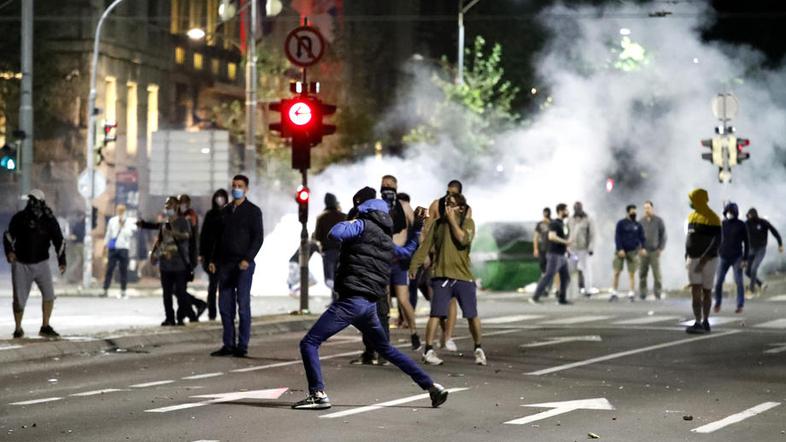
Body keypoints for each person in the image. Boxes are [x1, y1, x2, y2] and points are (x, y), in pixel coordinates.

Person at [292, 188, 448, 410]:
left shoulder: (360, 226)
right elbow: (408, 251)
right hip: (369, 305)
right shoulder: (386, 240)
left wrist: (352, 217)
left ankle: (317, 394)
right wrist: (417, 227)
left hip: (351, 301)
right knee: (385, 348)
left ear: (364, 210)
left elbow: (334, 233)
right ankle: (432, 386)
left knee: (309, 343)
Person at [411, 193, 486, 366]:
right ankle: (428, 350)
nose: (447, 207)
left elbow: (463, 240)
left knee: (471, 314)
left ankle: (478, 348)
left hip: (463, 276)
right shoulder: (438, 225)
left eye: (451, 204)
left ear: (460, 208)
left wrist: (452, 221)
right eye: (446, 204)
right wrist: (414, 265)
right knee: (436, 314)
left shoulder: (468, 223)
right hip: (441, 276)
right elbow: (426, 246)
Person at [208, 175, 264, 358]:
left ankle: (242, 345)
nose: (236, 188)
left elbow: (257, 238)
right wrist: (213, 260)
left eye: (239, 186)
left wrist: (247, 259)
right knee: (225, 306)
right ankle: (228, 344)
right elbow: (217, 238)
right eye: (234, 185)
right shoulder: (225, 211)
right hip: (225, 264)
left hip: (243, 265)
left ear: (246, 189)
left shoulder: (253, 211)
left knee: (243, 305)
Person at [3, 190, 66, 339]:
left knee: (49, 295)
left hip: (42, 262)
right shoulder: (20, 218)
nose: (32, 204)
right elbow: (8, 236)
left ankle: (45, 326)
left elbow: (59, 240)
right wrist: (9, 252)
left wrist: (62, 260)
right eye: (30, 200)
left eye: (34, 200)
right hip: (21, 263)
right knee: (19, 299)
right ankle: (18, 328)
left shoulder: (49, 220)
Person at [380, 175, 423, 352]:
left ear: (396, 186)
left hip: (400, 260)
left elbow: (418, 230)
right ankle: (384, 338)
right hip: (383, 259)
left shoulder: (404, 207)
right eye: (385, 185)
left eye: (391, 185)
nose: (387, 187)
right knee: (384, 300)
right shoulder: (378, 205)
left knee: (404, 300)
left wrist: (418, 255)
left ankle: (414, 332)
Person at [151, 196, 194, 326]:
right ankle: (169, 317)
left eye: (170, 204)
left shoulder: (183, 221)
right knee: (167, 293)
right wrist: (154, 254)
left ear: (176, 207)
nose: (167, 207)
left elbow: (187, 235)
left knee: (181, 292)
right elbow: (160, 240)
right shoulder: (164, 223)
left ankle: (180, 316)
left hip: (179, 264)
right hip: (165, 263)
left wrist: (174, 232)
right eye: (166, 204)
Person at [685, 189, 722, 334]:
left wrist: (704, 259)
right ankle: (698, 321)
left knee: (706, 291)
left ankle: (705, 320)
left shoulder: (713, 218)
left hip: (709, 260)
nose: (691, 202)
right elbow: (689, 238)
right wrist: (686, 254)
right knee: (695, 290)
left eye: (693, 199)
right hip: (692, 258)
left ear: (699, 200)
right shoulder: (691, 217)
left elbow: (717, 241)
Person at [531, 203, 572, 305]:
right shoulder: (554, 223)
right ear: (561, 211)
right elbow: (551, 236)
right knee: (548, 276)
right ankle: (535, 297)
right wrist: (565, 242)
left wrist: (567, 249)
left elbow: (562, 238)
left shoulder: (563, 224)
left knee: (566, 277)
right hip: (554, 254)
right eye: (566, 210)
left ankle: (562, 299)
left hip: (561, 255)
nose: (568, 212)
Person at [714, 202, 749, 314]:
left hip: (737, 257)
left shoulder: (741, 225)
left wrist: (745, 259)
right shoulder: (722, 224)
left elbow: (747, 243)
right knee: (718, 282)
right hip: (723, 256)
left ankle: (740, 304)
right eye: (728, 212)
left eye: (731, 212)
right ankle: (718, 303)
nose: (729, 214)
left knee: (738, 281)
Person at [178, 194, 208, 320]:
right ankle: (190, 311)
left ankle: (187, 312)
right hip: (179, 258)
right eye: (181, 202)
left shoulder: (191, 216)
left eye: (185, 202)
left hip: (187, 258)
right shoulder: (178, 215)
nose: (183, 205)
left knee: (178, 288)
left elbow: (190, 236)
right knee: (178, 289)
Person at [199, 189, 228, 320]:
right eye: (218, 197)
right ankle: (212, 313)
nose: (220, 200)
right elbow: (204, 234)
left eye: (222, 197)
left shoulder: (229, 214)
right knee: (212, 286)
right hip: (211, 256)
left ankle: (224, 312)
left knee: (224, 287)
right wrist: (202, 253)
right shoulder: (210, 215)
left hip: (225, 256)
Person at [313, 192, 346, 300]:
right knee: (340, 277)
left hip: (328, 252)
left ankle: (335, 299)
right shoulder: (343, 216)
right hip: (343, 251)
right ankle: (337, 300)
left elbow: (317, 237)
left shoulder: (321, 217)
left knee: (329, 279)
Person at [610, 204, 645, 302]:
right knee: (616, 272)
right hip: (620, 251)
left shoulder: (638, 225)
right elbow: (617, 237)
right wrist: (620, 249)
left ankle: (631, 293)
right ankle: (614, 292)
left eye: (635, 211)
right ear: (628, 212)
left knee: (632, 273)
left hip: (632, 251)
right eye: (632, 211)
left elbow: (642, 238)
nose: (634, 213)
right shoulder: (621, 223)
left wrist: (642, 248)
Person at [745, 208, 783, 294]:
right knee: (747, 272)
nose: (748, 217)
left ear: (754, 215)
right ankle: (760, 284)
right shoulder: (747, 223)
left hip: (760, 250)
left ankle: (751, 290)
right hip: (751, 250)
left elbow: (775, 232)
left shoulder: (763, 223)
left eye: (750, 215)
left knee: (754, 269)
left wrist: (780, 244)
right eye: (748, 216)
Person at [102, 204, 137, 299]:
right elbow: (108, 233)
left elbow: (129, 234)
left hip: (124, 248)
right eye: (119, 210)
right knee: (110, 269)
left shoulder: (129, 221)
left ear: (124, 210)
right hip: (113, 248)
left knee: (123, 270)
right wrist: (105, 245)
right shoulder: (112, 221)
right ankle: (105, 289)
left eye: (122, 210)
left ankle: (123, 290)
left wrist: (123, 225)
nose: (120, 211)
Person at [639, 200, 667, 300]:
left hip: (655, 251)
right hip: (644, 251)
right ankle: (642, 293)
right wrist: (640, 249)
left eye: (648, 208)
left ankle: (657, 292)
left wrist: (661, 248)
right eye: (645, 208)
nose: (647, 210)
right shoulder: (641, 221)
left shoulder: (658, 221)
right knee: (642, 273)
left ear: (652, 208)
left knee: (657, 274)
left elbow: (663, 236)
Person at [568, 202, 595, 297]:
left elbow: (592, 234)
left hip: (583, 249)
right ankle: (571, 290)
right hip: (572, 249)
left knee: (586, 269)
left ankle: (588, 290)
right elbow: (568, 233)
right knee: (571, 269)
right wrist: (567, 247)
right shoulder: (570, 219)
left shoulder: (588, 219)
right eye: (575, 208)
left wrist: (591, 247)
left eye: (578, 208)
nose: (577, 209)